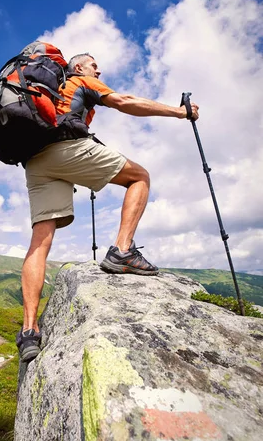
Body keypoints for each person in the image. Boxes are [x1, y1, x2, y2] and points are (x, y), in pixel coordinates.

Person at [15, 53, 199, 362]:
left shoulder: (49, 94)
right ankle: (122, 251)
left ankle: (29, 332)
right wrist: (180, 113)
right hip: (66, 150)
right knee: (139, 176)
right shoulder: (81, 81)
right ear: (78, 68)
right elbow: (125, 102)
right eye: (93, 64)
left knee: (40, 241)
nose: (98, 69)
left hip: (36, 162)